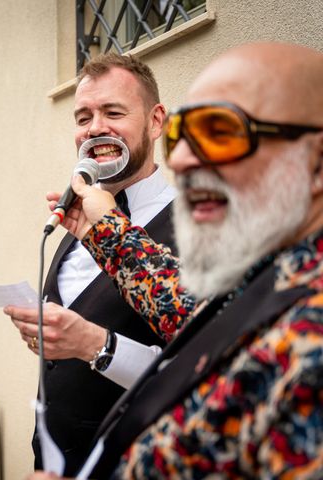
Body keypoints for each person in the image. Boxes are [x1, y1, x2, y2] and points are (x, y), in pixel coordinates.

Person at [29, 41, 323, 479]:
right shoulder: (278, 268)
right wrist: (103, 231)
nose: (182, 158)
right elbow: (193, 312)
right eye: (183, 135)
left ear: (315, 164)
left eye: (221, 131)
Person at [4, 53, 194, 475]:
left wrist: (94, 343)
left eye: (113, 112)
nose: (95, 128)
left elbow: (195, 368)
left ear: (156, 120)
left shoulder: (196, 226)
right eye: (83, 117)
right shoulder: (75, 220)